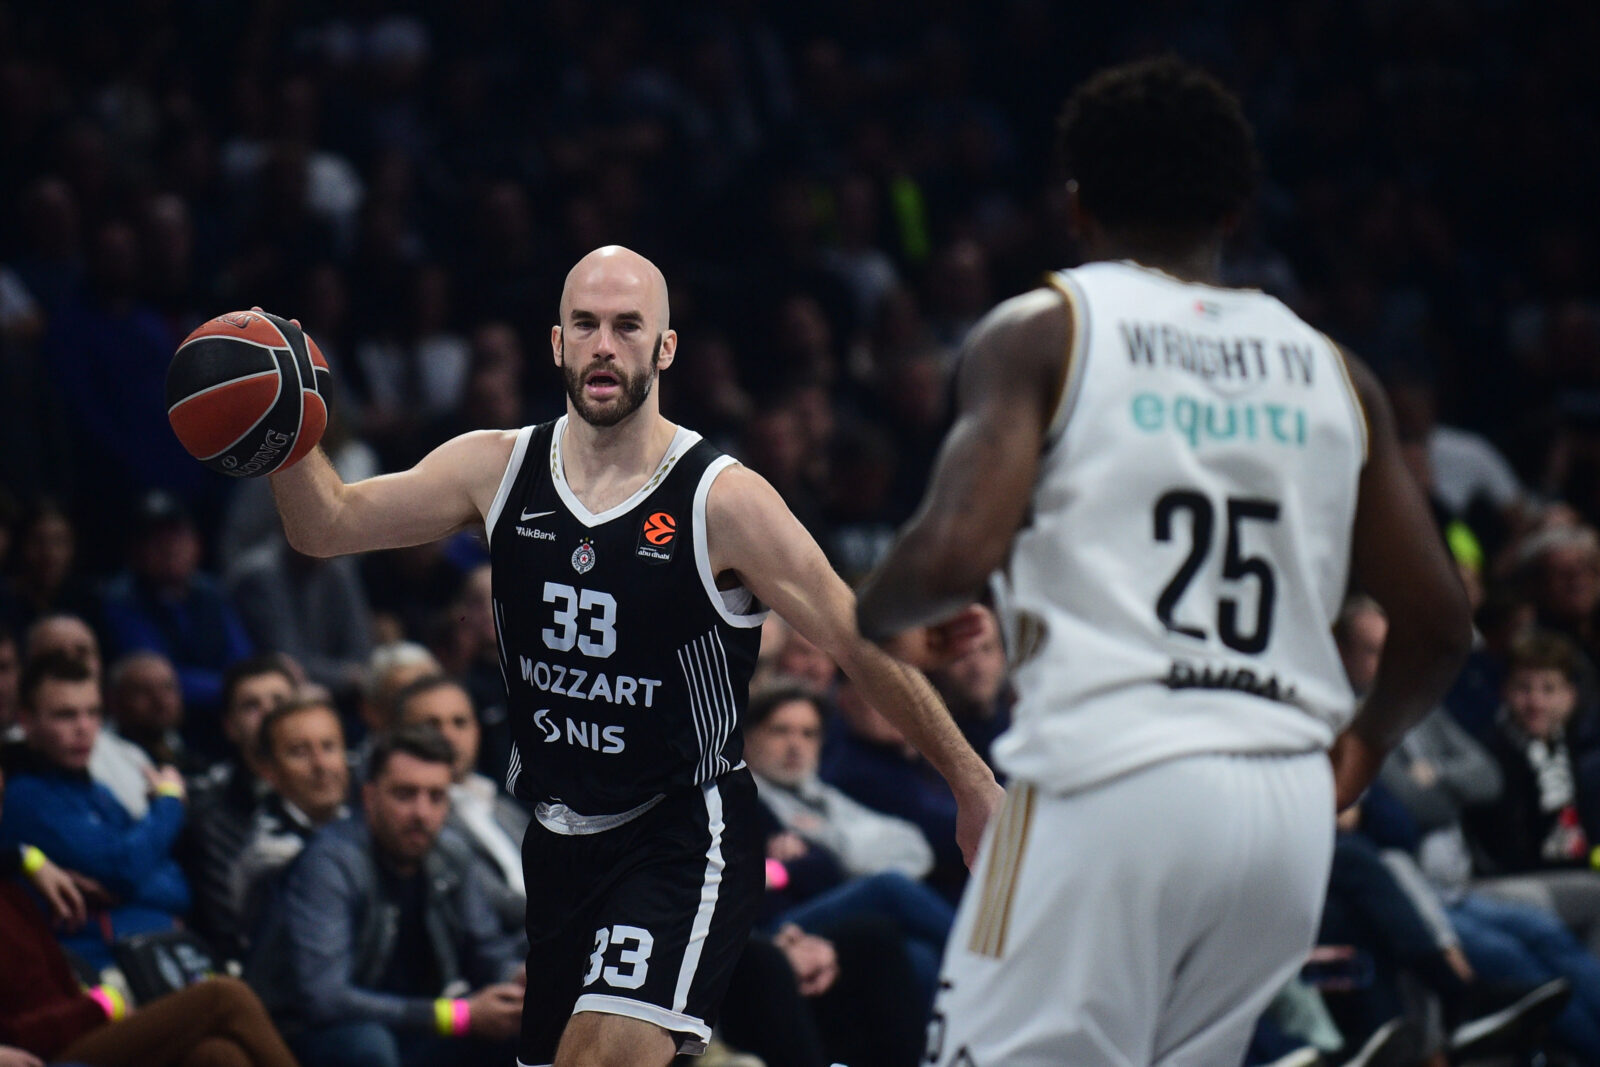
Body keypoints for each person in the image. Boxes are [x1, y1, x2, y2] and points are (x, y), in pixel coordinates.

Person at [855, 57, 1472, 1067]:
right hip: (1279, 808)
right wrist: (1355, 755)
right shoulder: (1334, 372)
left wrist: (888, 608)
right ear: (1235, 208)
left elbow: (950, 553)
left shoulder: (1046, 330)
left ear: (1076, 206)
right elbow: (1442, 622)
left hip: (1110, 776)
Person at [260, 245, 1001, 1067]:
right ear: (557, 342)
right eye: (586, 325)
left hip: (684, 832)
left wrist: (970, 781)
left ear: (664, 348)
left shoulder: (723, 499)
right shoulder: (495, 467)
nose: (604, 344)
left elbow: (854, 635)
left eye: (626, 326)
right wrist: (284, 424)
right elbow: (324, 525)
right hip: (559, 843)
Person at [255, 726, 524, 1067]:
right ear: (369, 798)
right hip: (316, 1032)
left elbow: (486, 948)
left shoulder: (450, 855)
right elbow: (326, 998)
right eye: (405, 794)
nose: (421, 813)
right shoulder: (331, 863)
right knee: (369, 1044)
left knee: (519, 1029)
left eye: (436, 796)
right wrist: (458, 1015)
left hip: (416, 1024)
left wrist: (515, 978)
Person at [0, 761, 300, 1067]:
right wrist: (103, 1005)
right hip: (47, 1049)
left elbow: (172, 887)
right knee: (224, 996)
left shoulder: (15, 883)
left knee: (216, 1055)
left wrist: (22, 857)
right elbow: (14, 1033)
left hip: (79, 1027)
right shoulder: (29, 810)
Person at [391, 675, 528, 938]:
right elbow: (495, 903)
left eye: (460, 722)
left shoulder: (504, 806)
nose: (448, 735)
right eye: (431, 724)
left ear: (477, 730)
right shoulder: (421, 818)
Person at [231, 696, 351, 939]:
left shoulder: (367, 820)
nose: (320, 764)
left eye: (329, 747)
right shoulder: (270, 856)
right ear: (269, 771)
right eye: (299, 752)